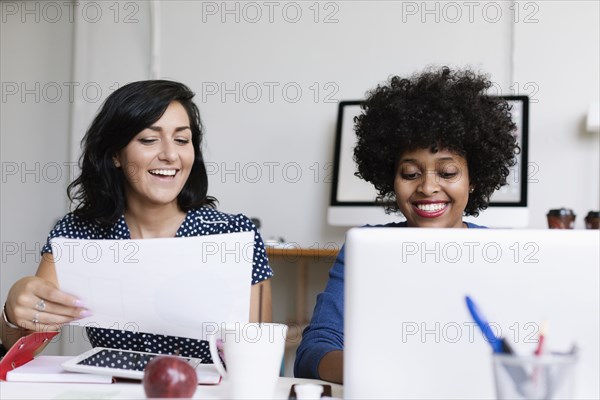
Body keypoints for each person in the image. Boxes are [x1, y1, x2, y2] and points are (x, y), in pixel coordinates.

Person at [0, 80, 273, 361]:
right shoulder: (77, 233)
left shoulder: (232, 234)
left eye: (182, 140)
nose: (170, 155)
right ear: (116, 154)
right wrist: (11, 312)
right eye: (148, 139)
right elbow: (20, 349)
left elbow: (257, 357)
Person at [294, 66, 519, 383]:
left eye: (448, 173)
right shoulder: (364, 249)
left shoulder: (502, 253)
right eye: (411, 174)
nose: (427, 187)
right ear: (391, 179)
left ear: (473, 180)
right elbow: (313, 352)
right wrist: (386, 372)